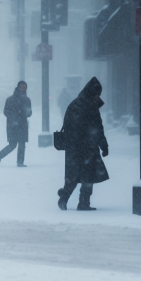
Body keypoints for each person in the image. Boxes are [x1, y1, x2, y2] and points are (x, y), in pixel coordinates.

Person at [58, 77, 109, 211]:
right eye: (96, 94)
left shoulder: (78, 104)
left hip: (78, 147)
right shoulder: (86, 106)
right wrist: (101, 144)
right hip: (84, 147)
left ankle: (72, 199)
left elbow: (97, 127)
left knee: (78, 175)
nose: (97, 97)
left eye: (99, 94)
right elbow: (95, 128)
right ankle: (77, 201)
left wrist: (103, 144)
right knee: (83, 175)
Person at [0, 81, 32, 167]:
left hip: (22, 124)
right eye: (22, 87)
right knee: (12, 145)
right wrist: (14, 118)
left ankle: (20, 162)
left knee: (22, 143)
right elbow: (6, 111)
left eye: (25, 87)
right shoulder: (10, 99)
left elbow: (29, 113)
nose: (24, 89)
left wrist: (27, 112)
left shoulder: (27, 100)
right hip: (12, 125)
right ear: (18, 87)